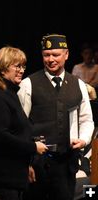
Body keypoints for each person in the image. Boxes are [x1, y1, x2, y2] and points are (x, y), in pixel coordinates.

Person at [18, 33, 94, 200]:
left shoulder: (79, 85)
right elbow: (21, 126)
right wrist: (25, 163)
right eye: (46, 55)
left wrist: (84, 139)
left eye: (55, 55)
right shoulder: (28, 84)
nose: (50, 59)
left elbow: (86, 119)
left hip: (67, 164)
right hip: (37, 164)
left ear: (66, 55)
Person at [0, 46, 48, 200]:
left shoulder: (10, 95)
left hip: (10, 180)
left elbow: (17, 133)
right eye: (17, 66)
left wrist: (26, 163)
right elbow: (0, 137)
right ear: (2, 69)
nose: (21, 70)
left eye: (23, 66)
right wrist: (33, 147)